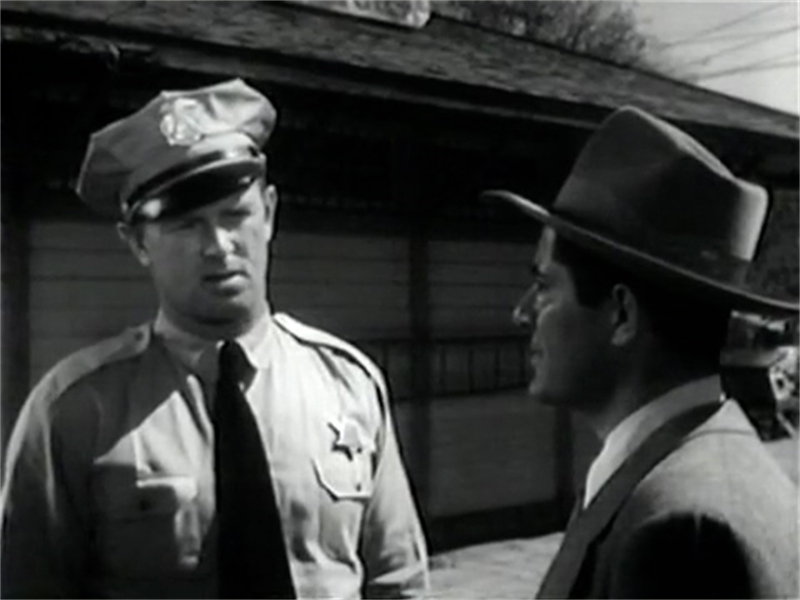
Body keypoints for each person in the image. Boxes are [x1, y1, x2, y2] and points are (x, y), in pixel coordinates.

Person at [1, 79, 429, 599]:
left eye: (235, 214)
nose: (218, 245)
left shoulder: (348, 386)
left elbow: (398, 581)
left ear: (269, 214)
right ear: (137, 242)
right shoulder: (76, 409)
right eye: (185, 225)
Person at [483, 106, 798, 599]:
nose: (522, 313)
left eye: (545, 287)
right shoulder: (704, 465)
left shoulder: (676, 526)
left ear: (621, 315)